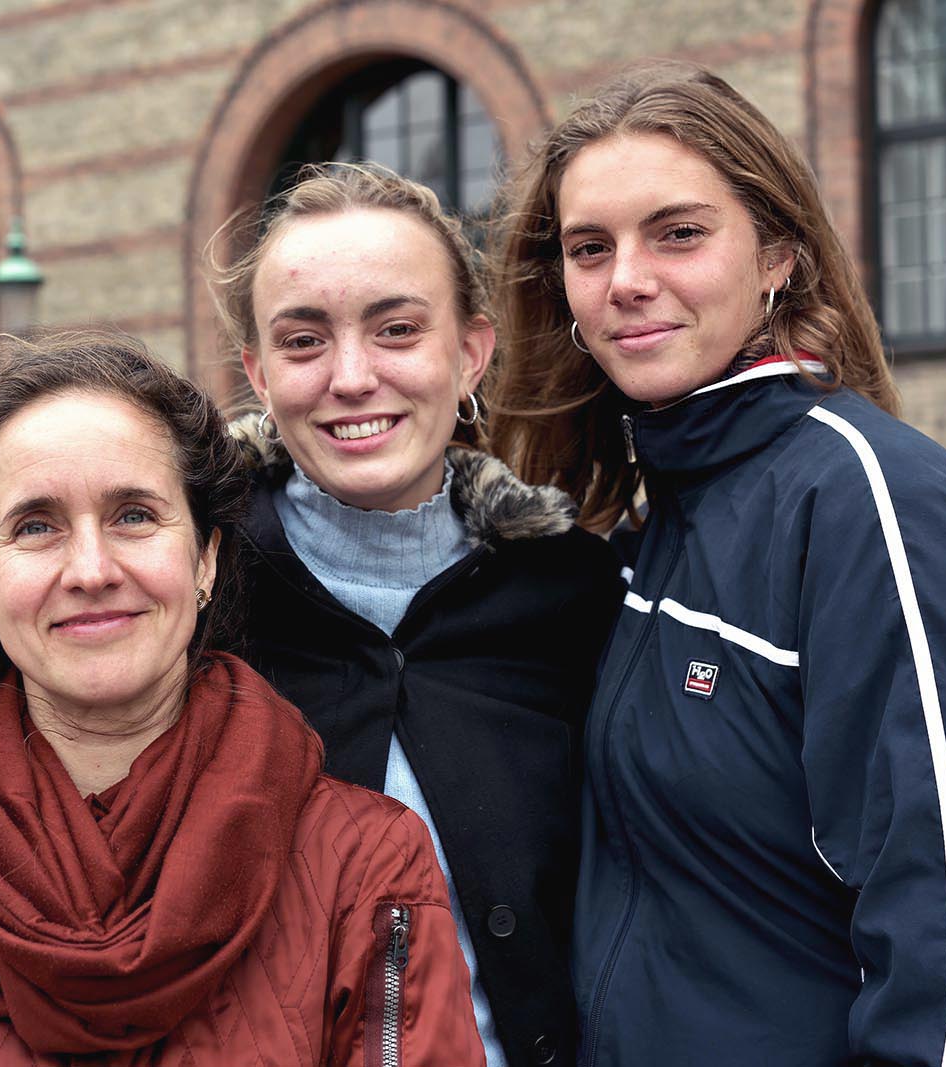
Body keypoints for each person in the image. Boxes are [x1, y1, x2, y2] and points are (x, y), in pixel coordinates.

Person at [487, 61, 946, 1066]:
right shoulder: (655, 517)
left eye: (678, 232)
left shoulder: (876, 507)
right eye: (590, 247)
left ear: (778, 257)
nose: (626, 279)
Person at [0, 330, 480, 1063]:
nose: (90, 569)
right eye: (36, 526)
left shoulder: (364, 867)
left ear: (206, 559)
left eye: (134, 515)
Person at [211, 164, 624, 1066]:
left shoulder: (578, 598)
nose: (352, 377)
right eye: (303, 341)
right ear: (258, 374)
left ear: (470, 353)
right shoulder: (195, 603)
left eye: (396, 329)